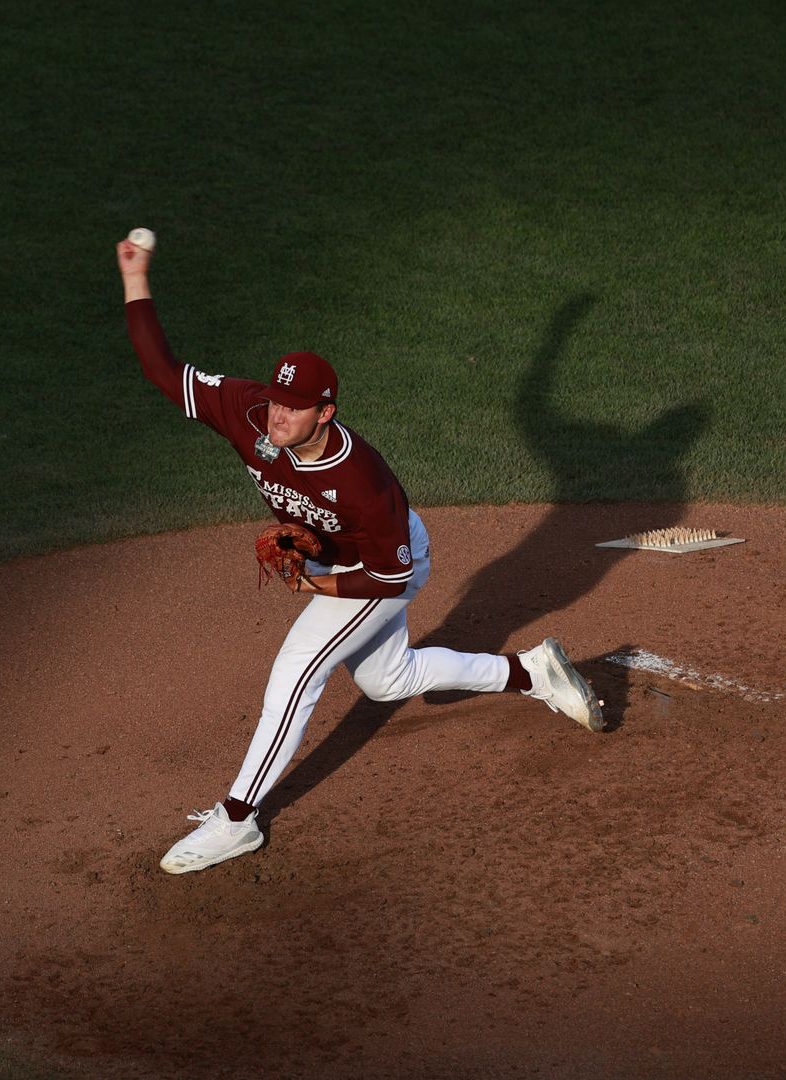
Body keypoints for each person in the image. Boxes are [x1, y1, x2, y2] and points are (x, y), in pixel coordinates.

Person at [116, 236, 603, 875]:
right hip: (340, 560)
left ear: (326, 412)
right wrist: (136, 276)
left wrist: (312, 589)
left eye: (294, 408)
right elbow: (161, 369)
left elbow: (389, 576)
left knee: (295, 673)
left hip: (384, 564)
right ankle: (533, 673)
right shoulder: (249, 411)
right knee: (387, 679)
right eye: (275, 400)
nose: (277, 416)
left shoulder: (363, 483)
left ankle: (238, 820)